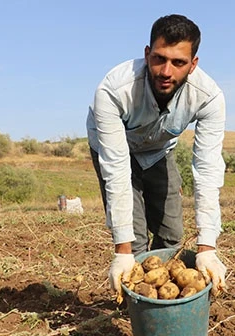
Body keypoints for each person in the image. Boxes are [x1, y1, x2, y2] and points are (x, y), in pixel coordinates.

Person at [86, 14, 227, 299]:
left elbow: (208, 169)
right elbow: (116, 169)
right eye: (160, 58)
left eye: (178, 63)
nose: (166, 71)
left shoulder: (209, 97)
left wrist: (207, 248)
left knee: (173, 235)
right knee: (135, 243)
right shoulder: (114, 90)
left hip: (159, 151)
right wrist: (122, 252)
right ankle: (140, 307)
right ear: (147, 54)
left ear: (193, 64)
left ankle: (173, 304)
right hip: (115, 150)